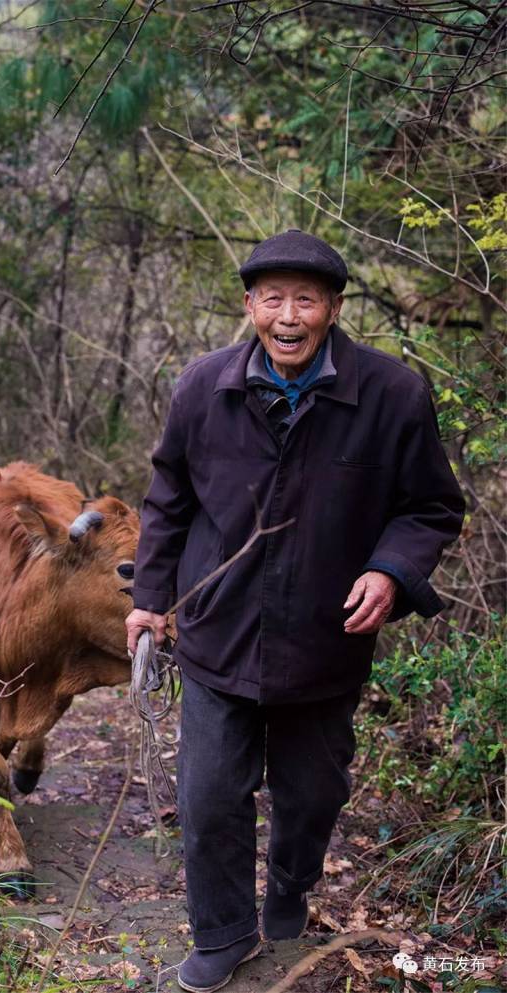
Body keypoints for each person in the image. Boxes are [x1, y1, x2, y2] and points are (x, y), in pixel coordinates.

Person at [125, 229, 465, 993]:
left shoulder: (391, 394)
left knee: (312, 795)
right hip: (218, 631)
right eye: (272, 298)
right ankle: (223, 932)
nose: (288, 315)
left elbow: (433, 507)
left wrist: (390, 570)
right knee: (209, 794)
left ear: (334, 308)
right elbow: (168, 500)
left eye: (305, 299)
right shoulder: (203, 389)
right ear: (249, 306)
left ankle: (287, 887)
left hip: (325, 641)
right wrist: (149, 602)